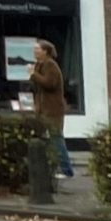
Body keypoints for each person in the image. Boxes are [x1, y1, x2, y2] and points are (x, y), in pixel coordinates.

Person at [27, 40, 74, 178]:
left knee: (56, 138)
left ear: (45, 51)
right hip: (42, 109)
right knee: (44, 139)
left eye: (37, 49)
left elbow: (50, 84)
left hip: (52, 110)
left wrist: (33, 74)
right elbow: (38, 87)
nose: (34, 52)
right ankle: (50, 168)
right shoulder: (40, 65)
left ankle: (66, 170)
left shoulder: (50, 65)